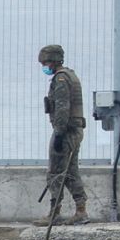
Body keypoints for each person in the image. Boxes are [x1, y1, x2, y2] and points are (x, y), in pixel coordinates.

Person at [38, 44, 88, 223]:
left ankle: (55, 212)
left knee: (55, 172)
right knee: (71, 170)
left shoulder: (60, 79)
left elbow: (62, 108)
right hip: (74, 130)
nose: (44, 66)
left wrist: (58, 133)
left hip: (65, 132)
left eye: (45, 62)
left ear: (53, 61)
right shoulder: (70, 75)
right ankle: (81, 210)